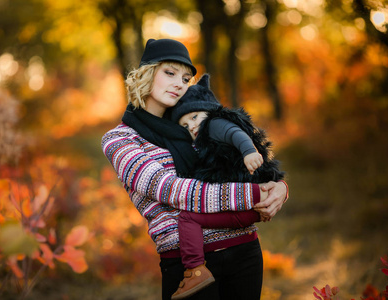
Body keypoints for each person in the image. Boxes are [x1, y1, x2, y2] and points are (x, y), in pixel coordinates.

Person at [101, 38, 289, 300]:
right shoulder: (121, 140)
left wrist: (279, 187)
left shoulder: (194, 121)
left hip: (244, 250)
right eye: (170, 73)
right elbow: (171, 190)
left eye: (186, 78)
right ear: (146, 72)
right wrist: (258, 194)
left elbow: (237, 161)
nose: (180, 83)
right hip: (189, 266)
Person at [166, 73, 286, 299]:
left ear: (209, 111)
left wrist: (249, 152)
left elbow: (235, 134)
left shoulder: (215, 124)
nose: (191, 126)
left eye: (194, 117)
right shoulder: (204, 139)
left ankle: (195, 269)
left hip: (244, 208)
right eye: (184, 124)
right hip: (245, 212)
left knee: (187, 218)